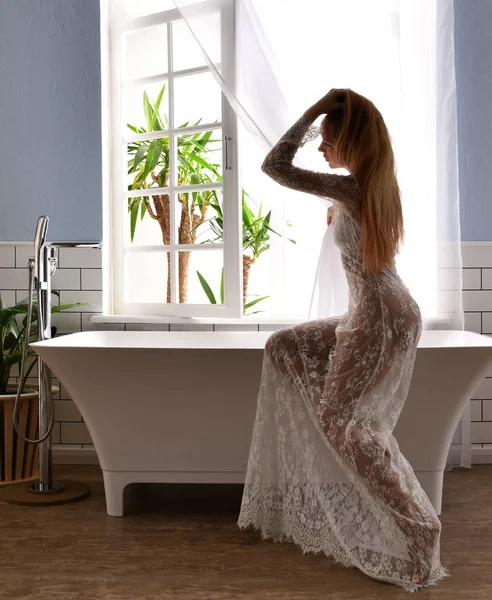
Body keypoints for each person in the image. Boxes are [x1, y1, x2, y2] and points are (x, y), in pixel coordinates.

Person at [237, 89, 448, 591]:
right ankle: (412, 518)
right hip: (381, 307)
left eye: (327, 139)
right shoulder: (366, 187)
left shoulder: (355, 188)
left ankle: (419, 526)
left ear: (350, 139)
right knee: (285, 346)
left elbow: (275, 165)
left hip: (378, 312)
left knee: (346, 425)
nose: (318, 147)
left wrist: (312, 112)